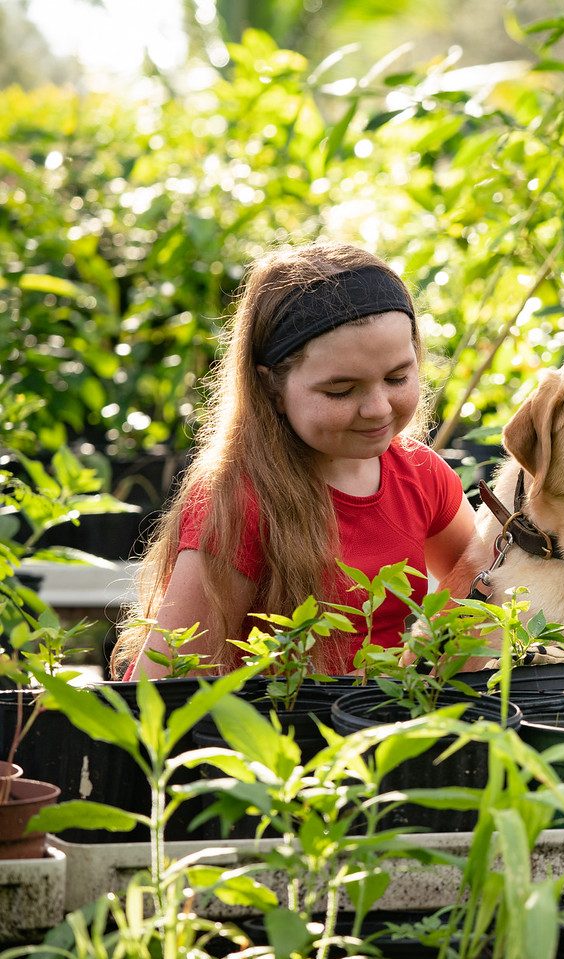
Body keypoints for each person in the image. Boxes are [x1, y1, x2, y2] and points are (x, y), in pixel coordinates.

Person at [112, 242, 478, 679]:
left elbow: (482, 589)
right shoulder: (240, 503)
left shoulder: (421, 474)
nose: (378, 408)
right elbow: (164, 682)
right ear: (271, 387)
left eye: (397, 377)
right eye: (341, 390)